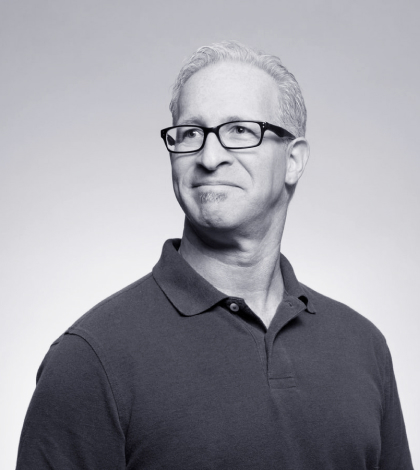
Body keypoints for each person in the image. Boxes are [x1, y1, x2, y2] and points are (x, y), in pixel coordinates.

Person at [16, 41, 413, 469]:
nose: (209, 157)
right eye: (191, 134)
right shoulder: (91, 358)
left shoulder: (362, 346)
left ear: (294, 160)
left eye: (240, 130)